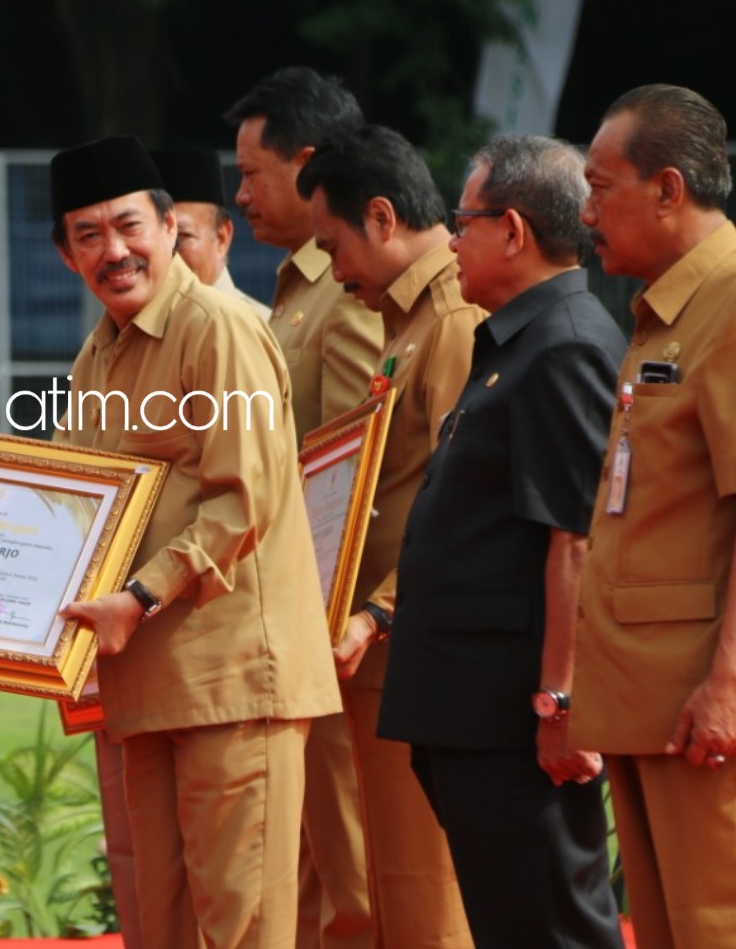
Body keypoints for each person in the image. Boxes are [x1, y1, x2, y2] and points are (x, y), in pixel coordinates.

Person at [51, 134, 340, 949]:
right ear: (64, 254)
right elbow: (77, 506)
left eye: (129, 226)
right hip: (143, 681)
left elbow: (244, 497)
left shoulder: (214, 328)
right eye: (88, 236)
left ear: (170, 225)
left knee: (240, 927)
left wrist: (138, 595)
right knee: (164, 926)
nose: (115, 251)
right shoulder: (98, 352)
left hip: (231, 680)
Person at [571, 84, 736, 948]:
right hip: (649, 689)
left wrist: (730, 686)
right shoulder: (665, 312)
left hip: (702, 698)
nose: (586, 210)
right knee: (680, 933)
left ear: (667, 189)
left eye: (601, 187)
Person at [375, 135, 626, 948]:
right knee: (512, 922)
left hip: (513, 714)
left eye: (463, 222)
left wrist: (560, 701)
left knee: (550, 925)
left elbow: (574, 537)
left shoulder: (565, 346)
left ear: (511, 231)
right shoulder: (519, 341)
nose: (450, 240)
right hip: (471, 706)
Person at [296, 124, 481, 948]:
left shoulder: (453, 320)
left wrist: (376, 611)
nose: (334, 273)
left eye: (333, 246)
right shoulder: (407, 322)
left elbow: (462, 499)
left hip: (415, 637)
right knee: (385, 888)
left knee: (423, 894)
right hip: (381, 643)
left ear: (379, 217)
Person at [224, 66, 380, 949]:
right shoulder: (297, 287)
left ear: (309, 163)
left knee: (347, 866)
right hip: (301, 621)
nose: (239, 192)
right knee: (317, 864)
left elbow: (360, 461)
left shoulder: (344, 287)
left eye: (252, 172)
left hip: (332, 617)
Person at [149, 148, 270, 317]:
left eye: (179, 239)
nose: (166, 257)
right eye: (154, 241)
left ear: (222, 238)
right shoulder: (133, 334)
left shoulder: (256, 327)